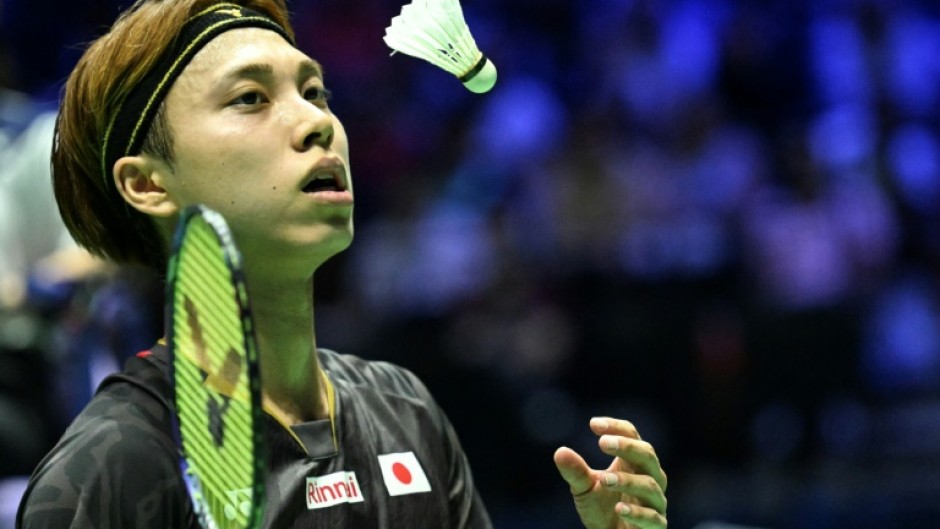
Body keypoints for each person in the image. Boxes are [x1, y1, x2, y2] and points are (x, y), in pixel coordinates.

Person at [15, 1, 668, 528]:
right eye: (250, 98)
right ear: (148, 184)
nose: (316, 122)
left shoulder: (404, 409)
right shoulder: (112, 470)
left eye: (315, 91)